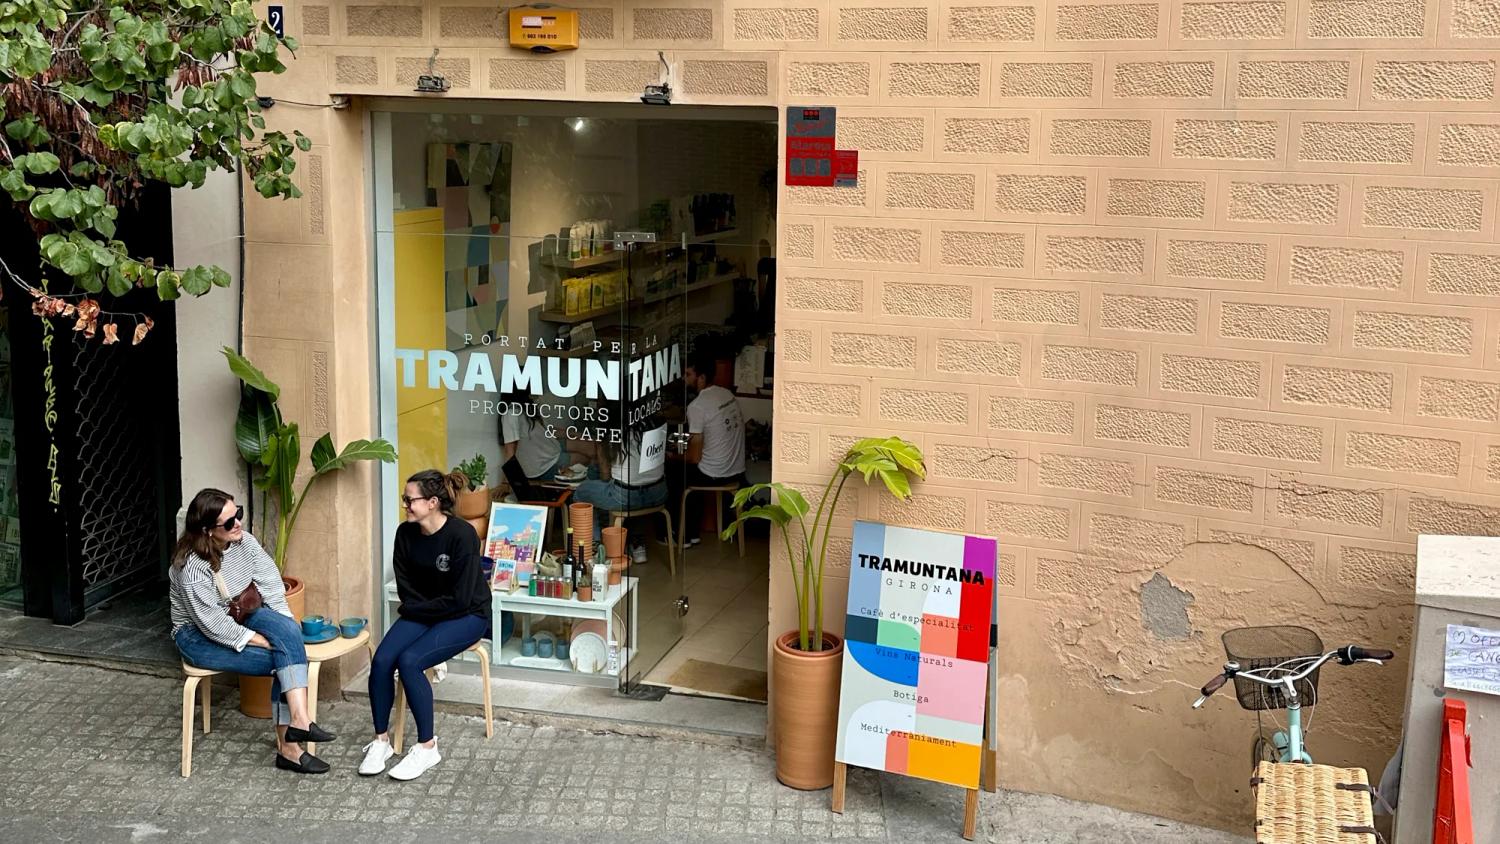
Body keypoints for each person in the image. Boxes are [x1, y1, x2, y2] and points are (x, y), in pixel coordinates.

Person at [169, 488, 335, 774]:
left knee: (289, 635)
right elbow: (212, 624)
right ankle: (290, 749)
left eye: (239, 514)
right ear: (208, 530)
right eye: (230, 522)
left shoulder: (243, 542)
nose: (239, 524)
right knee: (280, 661)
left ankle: (300, 721)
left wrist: (285, 628)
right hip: (197, 635)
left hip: (242, 612)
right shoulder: (191, 569)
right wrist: (262, 641)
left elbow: (270, 580)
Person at [361, 469, 490, 781]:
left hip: (468, 616)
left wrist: (420, 610)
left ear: (432, 502)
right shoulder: (405, 533)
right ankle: (381, 742)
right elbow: (406, 589)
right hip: (425, 611)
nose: (405, 504)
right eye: (405, 499)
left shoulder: (462, 535)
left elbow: (460, 600)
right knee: (381, 661)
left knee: (410, 661)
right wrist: (420, 610)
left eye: (410, 499)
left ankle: (427, 747)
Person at [669, 350, 747, 547]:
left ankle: (682, 535)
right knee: (689, 472)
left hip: (715, 473)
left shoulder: (697, 406)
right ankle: (692, 533)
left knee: (672, 472)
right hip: (736, 470)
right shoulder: (726, 394)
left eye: (688, 374)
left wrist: (672, 455)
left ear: (701, 377)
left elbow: (694, 457)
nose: (684, 379)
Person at [572, 417, 669, 557]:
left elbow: (605, 476)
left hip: (626, 497)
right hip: (659, 493)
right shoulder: (657, 422)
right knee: (636, 485)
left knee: (582, 491)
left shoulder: (615, 428)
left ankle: (595, 545)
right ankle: (637, 543)